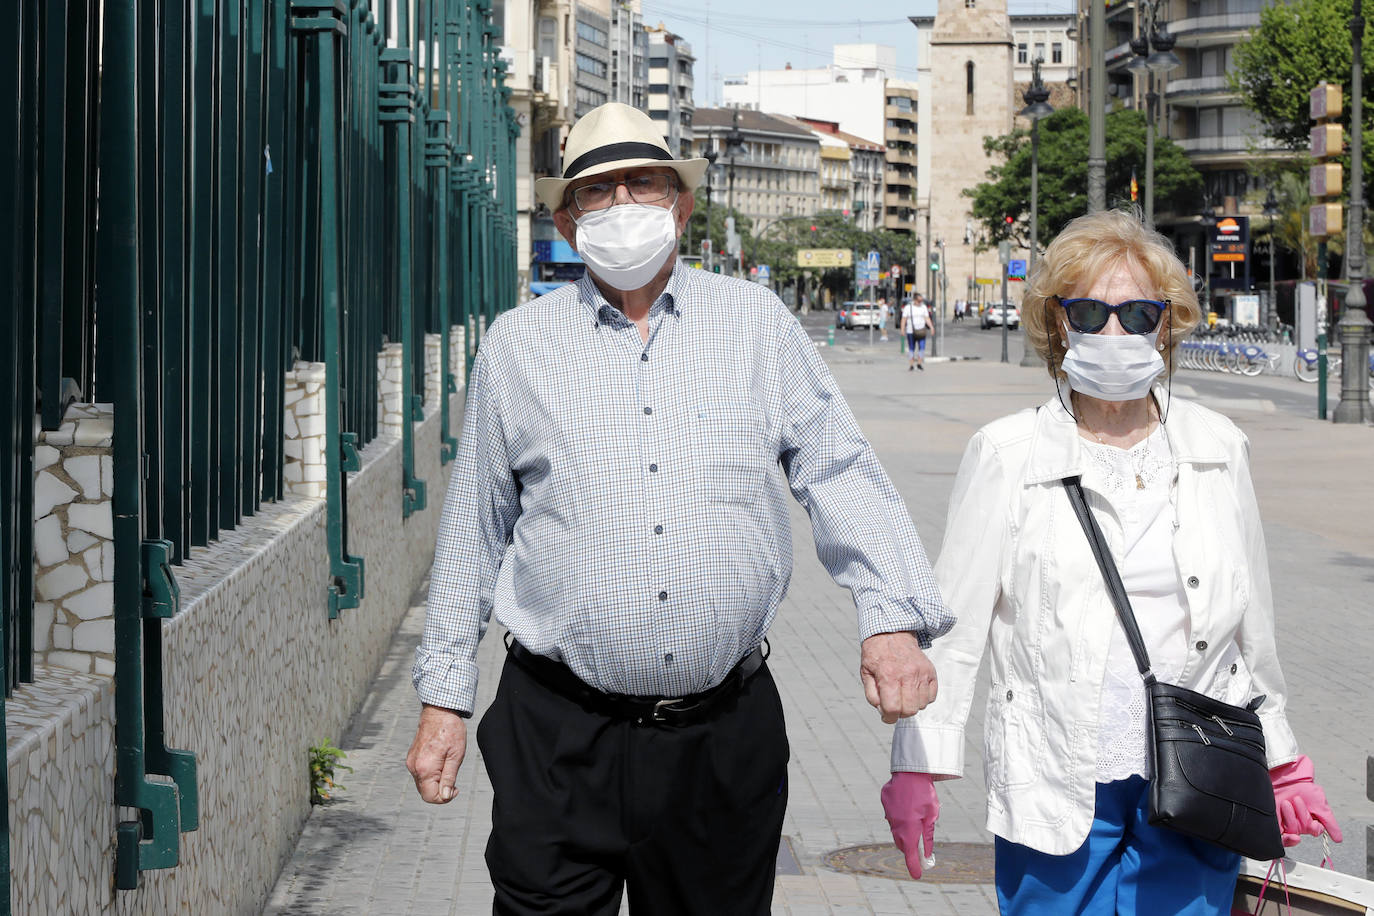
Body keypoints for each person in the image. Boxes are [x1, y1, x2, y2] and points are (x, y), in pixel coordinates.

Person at [406, 101, 952, 916]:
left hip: (721, 739)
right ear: (565, 216)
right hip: (557, 735)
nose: (624, 204)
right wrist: (443, 699)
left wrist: (892, 619)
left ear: (682, 205)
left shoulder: (756, 325)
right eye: (600, 190)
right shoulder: (518, 347)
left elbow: (838, 470)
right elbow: (474, 532)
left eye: (645, 184)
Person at [880, 210, 1343, 915]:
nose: (1116, 332)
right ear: (1058, 323)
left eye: (1138, 313)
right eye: (1092, 312)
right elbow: (959, 628)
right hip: (1058, 774)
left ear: (1169, 322)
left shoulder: (1218, 446)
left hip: (1195, 774)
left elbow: (1254, 630)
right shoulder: (1009, 453)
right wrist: (918, 762)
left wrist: (1284, 763)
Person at [902, 294, 931, 371]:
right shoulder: (908, 308)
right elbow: (904, 319)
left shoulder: (923, 307)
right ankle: (911, 365)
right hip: (910, 331)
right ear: (914, 300)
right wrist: (902, 329)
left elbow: (926, 318)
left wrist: (931, 327)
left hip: (921, 330)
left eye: (921, 301)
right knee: (911, 348)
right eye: (919, 301)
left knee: (922, 347)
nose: (920, 302)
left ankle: (919, 364)